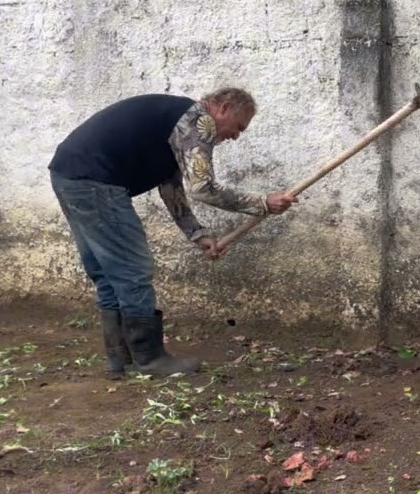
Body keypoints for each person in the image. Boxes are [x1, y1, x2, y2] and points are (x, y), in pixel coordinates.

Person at [48, 88, 297, 378]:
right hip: (96, 181)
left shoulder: (176, 123)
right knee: (132, 269)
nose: (236, 136)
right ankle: (150, 360)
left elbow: (171, 186)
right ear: (224, 108)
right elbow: (202, 188)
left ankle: (122, 360)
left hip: (69, 175)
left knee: (108, 272)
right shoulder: (197, 121)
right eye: (238, 127)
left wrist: (197, 235)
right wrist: (262, 203)